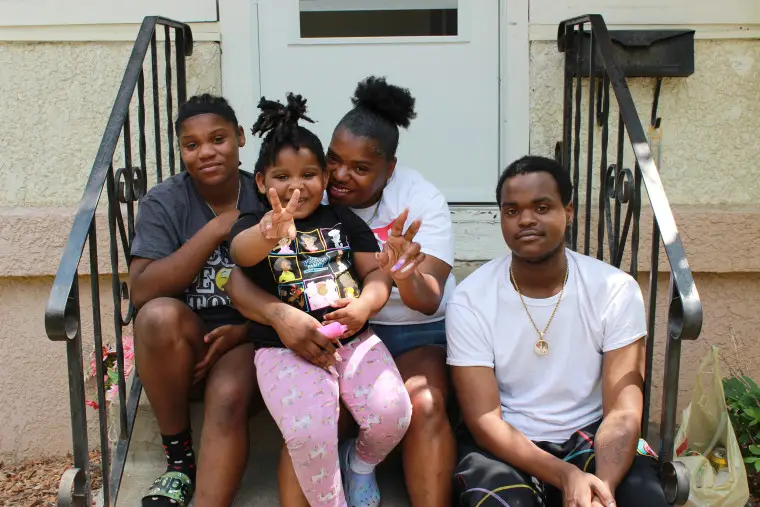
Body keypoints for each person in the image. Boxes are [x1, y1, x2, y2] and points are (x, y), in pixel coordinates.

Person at [226, 76, 457, 506]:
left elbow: (412, 292)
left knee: (407, 407)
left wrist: (394, 278)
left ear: (389, 168)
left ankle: (360, 465)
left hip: (381, 337)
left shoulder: (407, 203)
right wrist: (268, 235)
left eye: (361, 168)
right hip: (296, 345)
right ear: (261, 181)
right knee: (313, 427)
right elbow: (239, 265)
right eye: (335, 162)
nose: (340, 176)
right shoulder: (265, 216)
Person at [446, 155, 668, 507]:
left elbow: (623, 411)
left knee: (645, 500)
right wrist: (566, 476)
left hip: (593, 435)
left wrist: (601, 490)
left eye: (542, 206)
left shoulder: (613, 289)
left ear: (569, 211)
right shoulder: (471, 299)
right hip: (509, 443)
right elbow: (483, 419)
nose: (526, 220)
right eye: (512, 211)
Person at [130, 94, 261, 507]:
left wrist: (245, 331)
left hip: (247, 336)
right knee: (155, 316)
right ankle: (179, 465)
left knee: (227, 395)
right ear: (182, 151)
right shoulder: (164, 201)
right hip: (185, 338)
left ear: (240, 138)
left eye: (218, 138)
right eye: (192, 144)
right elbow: (142, 290)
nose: (206, 152)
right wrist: (217, 229)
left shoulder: (267, 193)